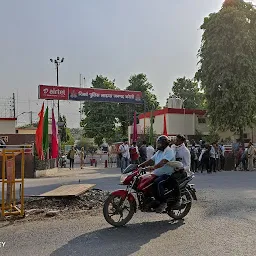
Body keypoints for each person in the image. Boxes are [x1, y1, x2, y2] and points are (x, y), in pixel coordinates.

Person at [138, 135, 178, 213]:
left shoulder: (169, 151)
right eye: (158, 143)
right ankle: (153, 200)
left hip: (167, 174)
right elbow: (150, 160)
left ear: (165, 143)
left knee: (158, 182)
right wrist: (140, 165)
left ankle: (163, 202)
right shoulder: (159, 152)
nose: (158, 145)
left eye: (160, 143)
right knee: (147, 181)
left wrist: (153, 167)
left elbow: (163, 162)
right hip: (157, 173)